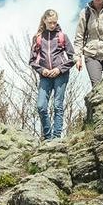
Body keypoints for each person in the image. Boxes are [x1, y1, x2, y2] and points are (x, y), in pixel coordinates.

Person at [29, 8, 77, 139]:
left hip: (61, 75)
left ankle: (56, 137)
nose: (52, 25)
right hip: (45, 76)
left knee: (57, 105)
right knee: (41, 106)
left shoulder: (62, 37)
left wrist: (59, 69)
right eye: (50, 22)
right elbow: (32, 60)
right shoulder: (38, 38)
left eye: (54, 22)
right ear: (44, 20)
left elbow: (73, 58)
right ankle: (48, 137)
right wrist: (42, 70)